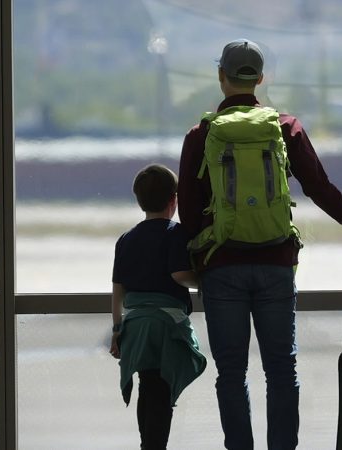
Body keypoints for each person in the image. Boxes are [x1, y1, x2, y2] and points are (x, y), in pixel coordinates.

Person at [176, 39, 342, 450]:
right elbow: (318, 186)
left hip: (222, 266)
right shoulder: (285, 128)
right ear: (260, 78)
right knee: (282, 371)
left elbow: (189, 211)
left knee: (231, 373)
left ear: (222, 77)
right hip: (275, 262)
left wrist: (202, 258)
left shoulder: (201, 135)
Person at [110, 163, 207, 450]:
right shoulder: (174, 234)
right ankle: (155, 445)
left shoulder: (126, 239)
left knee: (147, 385)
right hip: (164, 326)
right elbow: (179, 275)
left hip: (137, 325)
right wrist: (203, 281)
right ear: (173, 201)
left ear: (139, 201)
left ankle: (148, 443)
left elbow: (118, 290)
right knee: (162, 389)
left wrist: (118, 329)